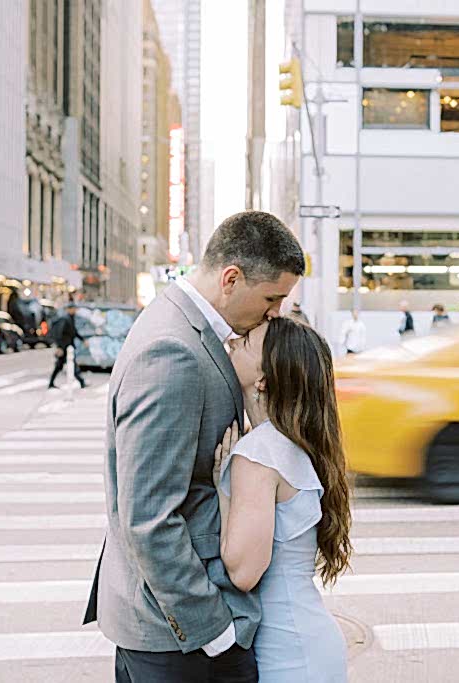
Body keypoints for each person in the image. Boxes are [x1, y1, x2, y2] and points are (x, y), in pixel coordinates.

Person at [83, 210, 304, 683]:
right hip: (180, 635)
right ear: (231, 278)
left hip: (172, 629)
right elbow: (147, 516)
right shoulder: (175, 350)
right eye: (271, 298)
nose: (274, 314)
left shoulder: (183, 327)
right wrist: (215, 631)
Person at [214, 316, 352, 681]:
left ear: (263, 378)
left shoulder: (259, 453)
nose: (232, 341)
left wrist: (220, 490)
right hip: (306, 641)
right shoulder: (287, 443)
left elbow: (243, 572)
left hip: (288, 654)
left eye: (246, 341)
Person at [48, 302, 86, 389]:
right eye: (73, 309)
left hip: (68, 347)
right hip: (65, 347)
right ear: (69, 309)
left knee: (61, 366)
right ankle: (81, 381)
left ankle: (81, 381)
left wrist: (83, 340)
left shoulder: (70, 318)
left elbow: (74, 332)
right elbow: (60, 334)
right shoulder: (65, 319)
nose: (75, 310)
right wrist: (60, 347)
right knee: (66, 365)